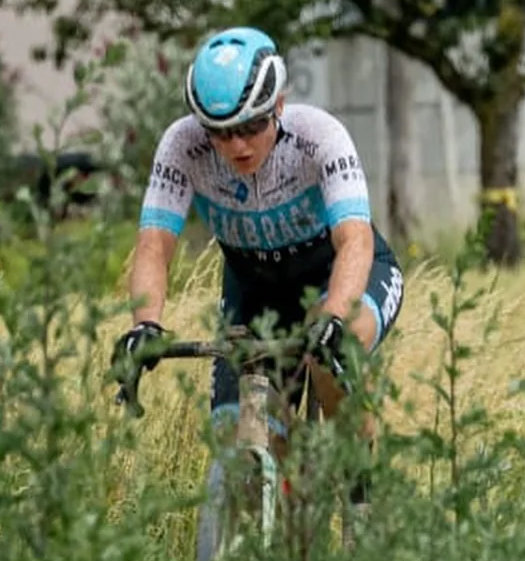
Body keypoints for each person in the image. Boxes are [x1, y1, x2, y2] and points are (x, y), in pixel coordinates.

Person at [111, 27, 404, 524]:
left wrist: (333, 316)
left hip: (342, 273)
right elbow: (155, 243)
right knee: (238, 433)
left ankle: (361, 504)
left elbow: (354, 239)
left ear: (279, 105)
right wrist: (145, 323)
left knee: (333, 353)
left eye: (250, 127)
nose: (236, 145)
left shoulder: (320, 136)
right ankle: (277, 525)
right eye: (219, 132)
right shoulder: (182, 145)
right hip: (256, 289)